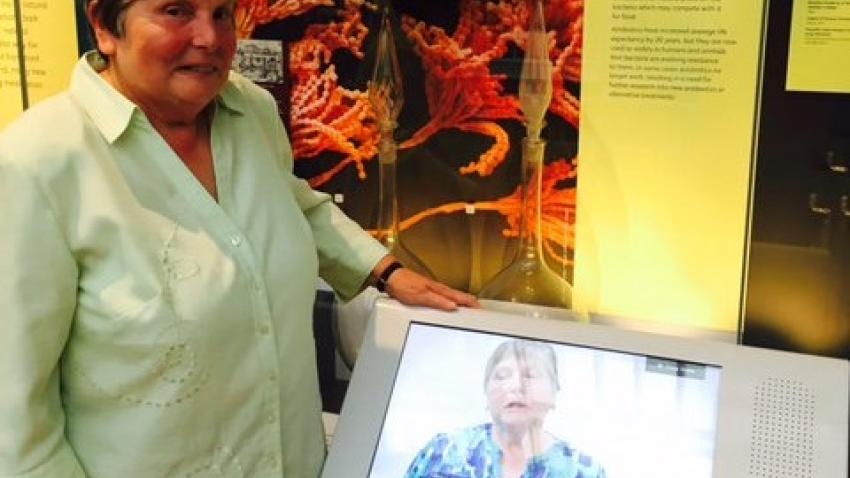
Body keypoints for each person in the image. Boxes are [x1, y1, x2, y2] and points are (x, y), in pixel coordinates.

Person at [0, 0, 479, 476]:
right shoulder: (38, 164)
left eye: (222, 13)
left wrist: (385, 271)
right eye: (177, 11)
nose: (209, 38)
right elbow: (17, 421)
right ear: (106, 27)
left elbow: (289, 201)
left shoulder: (249, 110)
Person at [404, 339, 605, 478]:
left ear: (554, 392)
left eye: (530, 375)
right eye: (502, 376)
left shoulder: (582, 470)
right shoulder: (445, 451)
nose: (516, 386)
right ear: (486, 393)